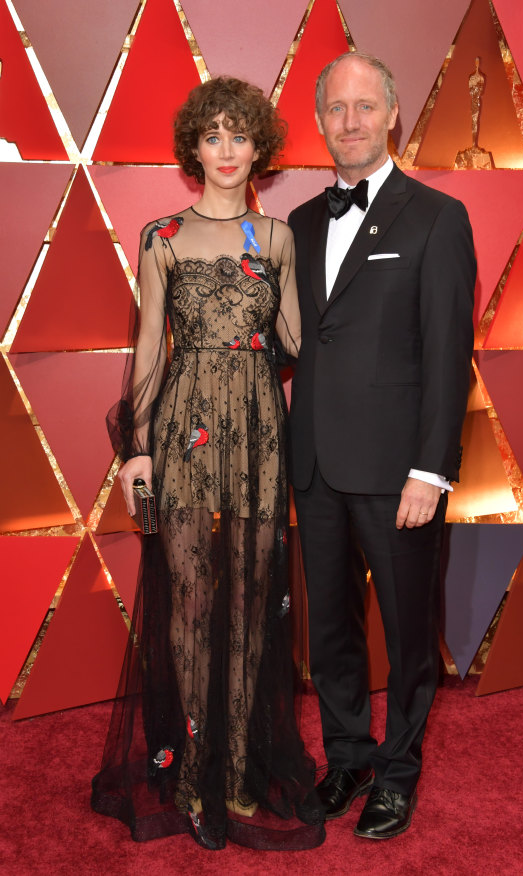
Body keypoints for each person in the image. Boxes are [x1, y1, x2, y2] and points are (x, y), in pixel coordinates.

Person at [91, 77, 324, 852]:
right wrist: (137, 450)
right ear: (194, 148)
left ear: (262, 148)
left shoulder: (280, 237)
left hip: (258, 427)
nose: (227, 150)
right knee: (190, 599)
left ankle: (238, 767)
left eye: (241, 135)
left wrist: (270, 261)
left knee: (254, 601)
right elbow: (150, 349)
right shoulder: (160, 237)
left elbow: (294, 343)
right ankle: (193, 767)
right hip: (185, 428)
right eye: (213, 135)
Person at [288, 52, 476, 840]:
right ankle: (348, 757)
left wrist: (430, 471)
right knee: (329, 630)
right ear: (321, 118)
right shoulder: (297, 222)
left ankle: (398, 772)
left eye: (366, 106)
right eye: (337, 108)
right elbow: (296, 343)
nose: (351, 122)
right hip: (315, 468)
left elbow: (446, 354)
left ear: (393, 114)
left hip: (401, 474)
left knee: (406, 635)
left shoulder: (437, 216)